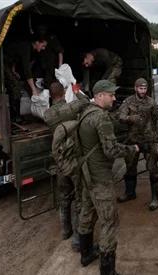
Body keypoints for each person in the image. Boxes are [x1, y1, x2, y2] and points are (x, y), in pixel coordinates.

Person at [77, 80, 139, 274]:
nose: (114, 98)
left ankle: (86, 254)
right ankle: (108, 270)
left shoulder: (85, 113)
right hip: (100, 177)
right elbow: (111, 150)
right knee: (109, 221)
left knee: (87, 212)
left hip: (87, 174)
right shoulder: (101, 118)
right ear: (100, 95)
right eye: (111, 94)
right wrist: (131, 149)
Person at [44, 81, 89, 251]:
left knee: (63, 197)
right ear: (63, 93)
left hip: (60, 160)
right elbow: (85, 102)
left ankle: (65, 230)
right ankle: (78, 240)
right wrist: (76, 90)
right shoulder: (70, 108)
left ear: (50, 96)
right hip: (75, 159)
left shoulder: (47, 114)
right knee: (79, 197)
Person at [117, 78, 158, 211]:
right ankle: (130, 193)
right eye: (140, 88)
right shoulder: (129, 101)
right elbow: (120, 116)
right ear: (135, 88)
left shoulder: (151, 102)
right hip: (133, 140)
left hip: (148, 140)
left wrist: (157, 136)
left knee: (152, 168)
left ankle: (155, 198)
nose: (143, 91)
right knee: (130, 167)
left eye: (145, 88)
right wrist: (130, 118)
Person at [4, 34, 48, 121]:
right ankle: (15, 117)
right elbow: (27, 70)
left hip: (9, 64)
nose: (44, 48)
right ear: (36, 43)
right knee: (15, 86)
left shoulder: (30, 50)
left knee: (15, 83)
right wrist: (34, 90)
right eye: (43, 46)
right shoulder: (26, 48)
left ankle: (15, 115)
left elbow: (15, 58)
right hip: (3, 62)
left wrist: (13, 70)